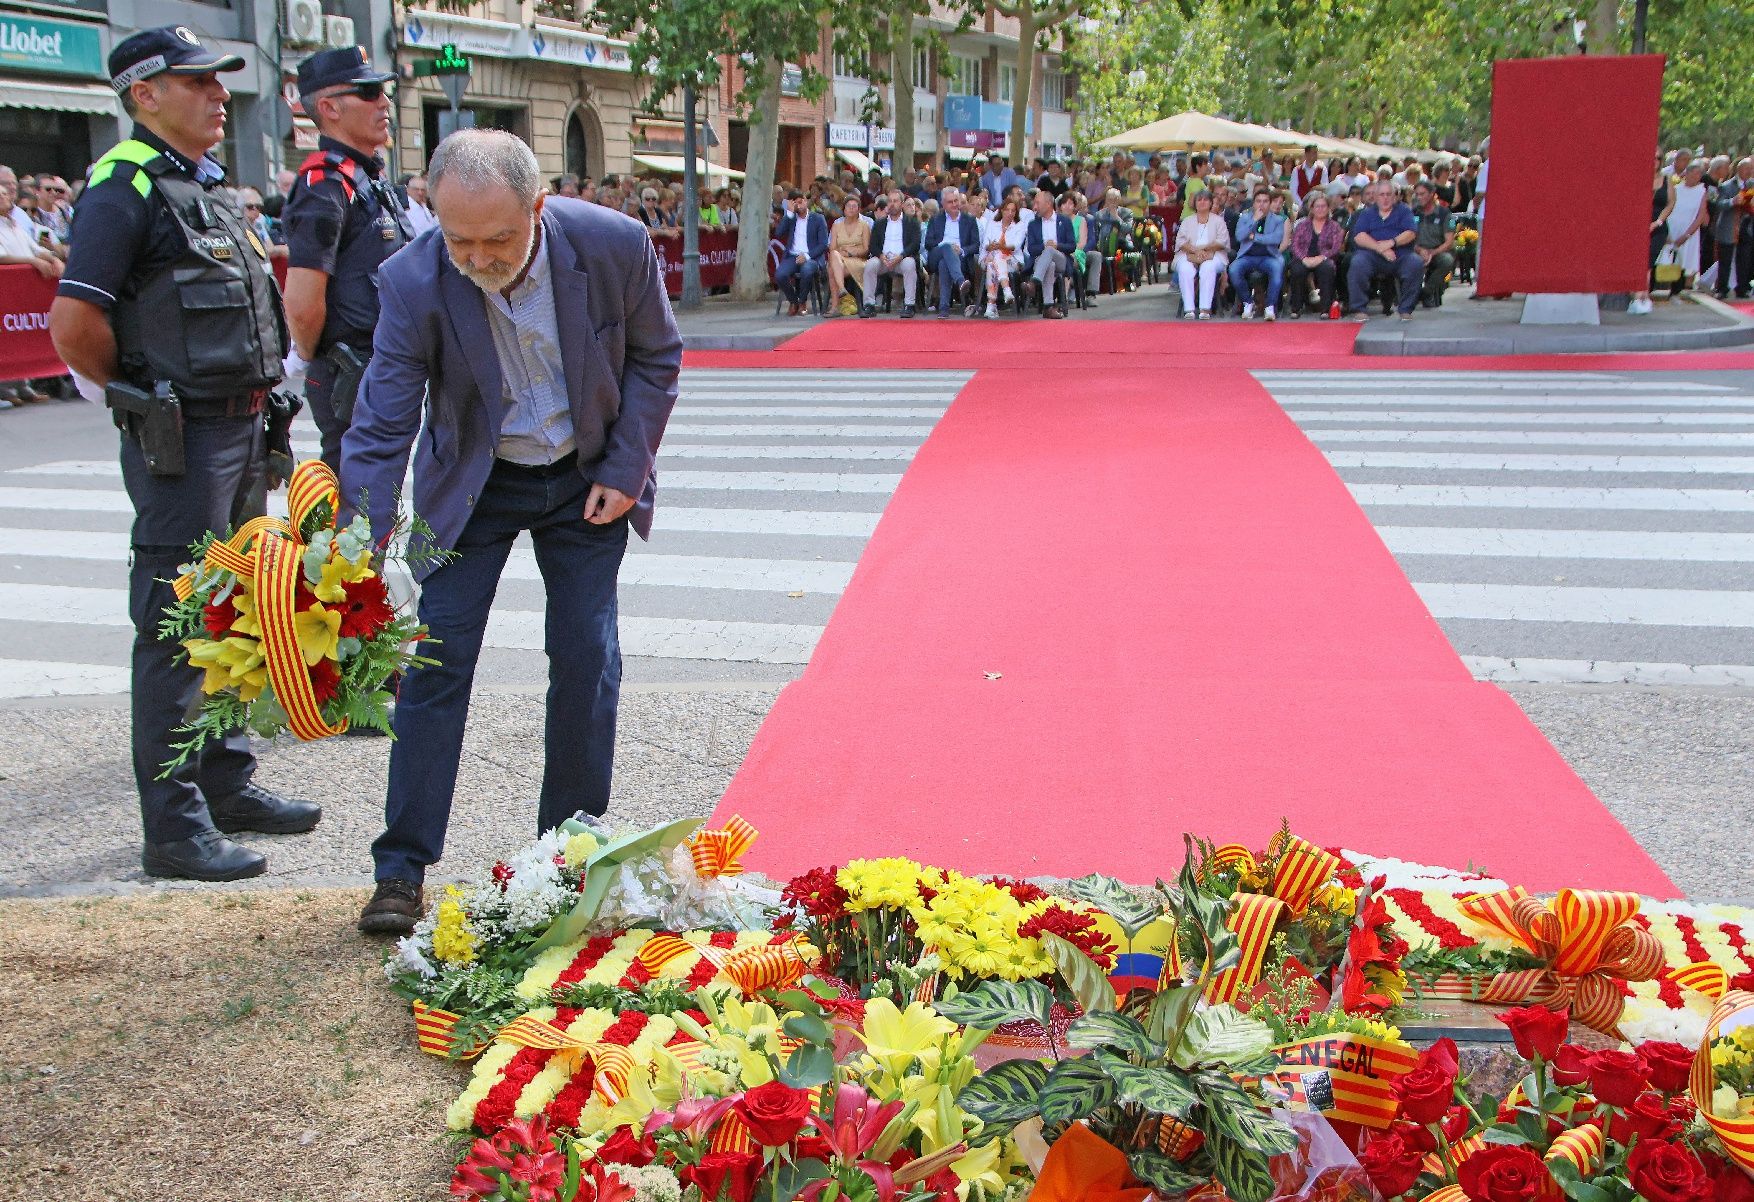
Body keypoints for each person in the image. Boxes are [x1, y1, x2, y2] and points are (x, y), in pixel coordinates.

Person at [342, 129, 681, 935]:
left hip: (584, 479)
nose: (480, 258)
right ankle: (400, 868)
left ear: (538, 206)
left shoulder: (613, 245)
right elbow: (383, 421)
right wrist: (358, 545)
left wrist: (624, 471)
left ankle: (565, 858)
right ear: (433, 215)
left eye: (499, 238)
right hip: (474, 487)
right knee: (434, 662)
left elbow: (657, 359)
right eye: (459, 239)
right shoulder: (412, 279)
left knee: (585, 653)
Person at [48, 26, 318, 882]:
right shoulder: (122, 188)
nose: (218, 95)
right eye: (196, 81)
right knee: (173, 626)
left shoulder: (200, 187)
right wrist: (140, 396)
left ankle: (225, 782)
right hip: (185, 439)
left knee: (230, 614)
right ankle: (173, 826)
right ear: (143, 94)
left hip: (240, 432)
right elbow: (74, 326)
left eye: (218, 81)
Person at [282, 47, 412, 474]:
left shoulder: (368, 179)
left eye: (384, 91)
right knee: (356, 499)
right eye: (369, 92)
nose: (384, 103)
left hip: (384, 368)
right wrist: (311, 354)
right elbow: (303, 300)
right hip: (350, 372)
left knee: (379, 494)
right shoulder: (324, 185)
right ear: (328, 108)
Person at [1346, 181, 1424, 320]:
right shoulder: (1367, 213)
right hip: (1372, 255)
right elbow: (1359, 236)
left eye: (1389, 194)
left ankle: (1406, 309)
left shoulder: (1404, 211)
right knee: (1357, 263)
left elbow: (1411, 232)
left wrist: (1391, 243)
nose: (1385, 198)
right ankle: (1360, 309)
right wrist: (1379, 248)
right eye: (1382, 195)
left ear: (1394, 197)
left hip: (1400, 254)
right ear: (1375, 197)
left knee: (1415, 263)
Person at [859, 191, 920, 318]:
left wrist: (901, 256)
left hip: (901, 259)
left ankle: (909, 305)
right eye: (890, 201)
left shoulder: (911, 222)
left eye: (895, 201)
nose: (892, 204)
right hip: (884, 260)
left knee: (910, 264)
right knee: (870, 264)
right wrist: (881, 256)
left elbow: (915, 244)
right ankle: (869, 305)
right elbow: (873, 245)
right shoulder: (880, 223)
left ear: (902, 204)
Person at [1229, 187, 1285, 320]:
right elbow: (1239, 236)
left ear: (1270, 203)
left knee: (1277, 270)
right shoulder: (1244, 217)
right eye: (1258, 201)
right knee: (1233, 270)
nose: (1262, 204)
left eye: (1265, 201)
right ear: (1253, 203)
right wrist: (1254, 220)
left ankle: (1269, 306)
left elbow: (1275, 239)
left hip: (1269, 256)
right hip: (1248, 256)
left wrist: (1255, 237)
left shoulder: (1278, 220)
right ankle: (1248, 302)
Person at [923, 186, 980, 318]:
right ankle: (960, 281)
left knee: (945, 264)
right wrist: (945, 246)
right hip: (936, 256)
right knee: (947, 248)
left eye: (956, 200)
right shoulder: (936, 219)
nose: (954, 204)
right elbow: (928, 243)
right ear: (943, 204)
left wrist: (961, 250)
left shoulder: (969, 220)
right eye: (950, 202)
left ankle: (944, 309)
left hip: (960, 259)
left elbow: (976, 245)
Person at [1172, 187, 1227, 320]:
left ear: (1210, 203)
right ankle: (1189, 309)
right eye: (1199, 200)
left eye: (1205, 200)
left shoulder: (1218, 221)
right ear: (1195, 203)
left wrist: (1205, 250)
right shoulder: (1187, 221)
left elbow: (1222, 241)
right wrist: (1196, 251)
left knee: (1208, 268)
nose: (1202, 202)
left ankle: (1205, 309)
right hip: (1189, 253)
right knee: (1185, 269)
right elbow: (1180, 242)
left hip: (1214, 254)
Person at [1287, 191, 1342, 319]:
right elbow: (1295, 245)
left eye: (1323, 206)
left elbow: (1336, 247)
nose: (1320, 209)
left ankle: (1325, 309)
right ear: (1311, 208)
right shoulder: (1302, 225)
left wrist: (1321, 257)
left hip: (1324, 258)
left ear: (1328, 208)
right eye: (1317, 206)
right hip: (1304, 257)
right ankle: (1296, 308)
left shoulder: (1334, 226)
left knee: (1327, 269)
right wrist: (1304, 258)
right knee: (1297, 270)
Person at [772, 189, 827, 316]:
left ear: (806, 201)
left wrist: (807, 256)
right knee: (780, 274)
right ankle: (793, 301)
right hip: (792, 255)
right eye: (795, 203)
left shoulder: (818, 218)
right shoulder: (791, 218)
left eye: (801, 201)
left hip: (811, 256)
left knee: (807, 270)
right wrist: (789, 214)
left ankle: (802, 301)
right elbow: (779, 233)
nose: (799, 205)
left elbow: (823, 244)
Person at [1023, 188, 1073, 319]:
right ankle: (1048, 307)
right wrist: (1044, 246)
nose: (1034, 207)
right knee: (1049, 264)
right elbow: (1031, 249)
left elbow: (1072, 246)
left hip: (1061, 259)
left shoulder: (1065, 221)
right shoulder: (1033, 224)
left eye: (1037, 203)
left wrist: (1056, 246)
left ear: (1048, 204)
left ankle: (1034, 282)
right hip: (1040, 261)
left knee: (1050, 251)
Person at [1663, 160, 1709, 290]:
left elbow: (1700, 216)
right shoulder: (1675, 188)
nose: (1696, 177)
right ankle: (1667, 288)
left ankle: (1684, 287)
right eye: (1693, 174)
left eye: (1699, 175)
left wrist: (1687, 234)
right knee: (1669, 260)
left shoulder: (1701, 191)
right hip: (1672, 229)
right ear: (1686, 174)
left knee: (1687, 261)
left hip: (1689, 231)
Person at [1410, 180, 1456, 307]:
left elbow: (1449, 241)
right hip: (1417, 250)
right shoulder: (1413, 213)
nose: (1419, 197)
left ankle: (1427, 292)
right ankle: (1409, 294)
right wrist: (1419, 250)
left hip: (1437, 251)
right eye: (1417, 194)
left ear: (1431, 194)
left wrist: (1432, 252)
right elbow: (1407, 237)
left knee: (1447, 260)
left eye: (1422, 194)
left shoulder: (1445, 213)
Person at [979, 197, 1025, 318]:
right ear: (1001, 211)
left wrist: (1001, 246)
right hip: (992, 257)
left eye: (1013, 211)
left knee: (995, 259)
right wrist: (992, 246)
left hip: (1012, 261)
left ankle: (991, 305)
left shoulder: (1019, 226)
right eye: (1007, 210)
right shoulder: (993, 224)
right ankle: (1006, 290)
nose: (1010, 213)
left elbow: (1016, 245)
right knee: (994, 260)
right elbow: (985, 245)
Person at [1711, 158, 1749, 300]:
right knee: (1725, 260)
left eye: (1751, 169)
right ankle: (1722, 288)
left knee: (1744, 259)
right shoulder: (1726, 186)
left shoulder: (1751, 185)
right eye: (1747, 168)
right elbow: (1719, 205)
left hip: (1746, 227)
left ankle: (1742, 288)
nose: (1749, 172)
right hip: (1729, 226)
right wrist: (1733, 201)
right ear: (1739, 170)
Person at [827, 194, 870, 315]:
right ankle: (841, 289)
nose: (851, 208)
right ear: (844, 209)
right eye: (848, 206)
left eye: (854, 206)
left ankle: (835, 306)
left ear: (858, 209)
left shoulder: (864, 225)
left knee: (832, 270)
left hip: (857, 260)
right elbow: (832, 248)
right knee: (834, 256)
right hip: (839, 259)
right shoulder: (836, 225)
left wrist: (850, 252)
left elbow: (866, 249)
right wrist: (842, 253)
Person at [1291, 144, 1327, 211]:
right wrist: (1302, 204)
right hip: (1300, 206)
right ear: (1307, 154)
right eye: (1314, 152)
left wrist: (1315, 188)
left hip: (1316, 206)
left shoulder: (1322, 169)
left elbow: (1325, 186)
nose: (1317, 155)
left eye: (1316, 152)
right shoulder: (1297, 170)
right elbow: (1293, 190)